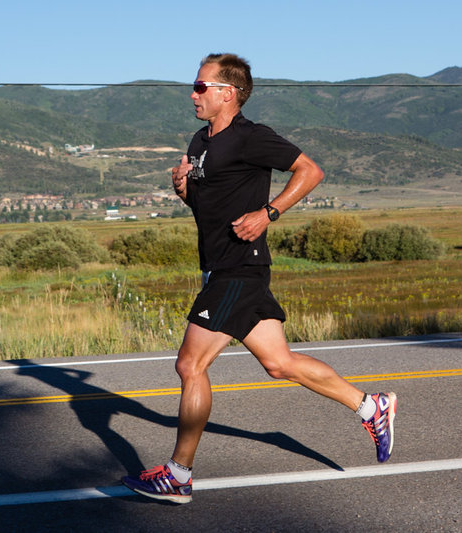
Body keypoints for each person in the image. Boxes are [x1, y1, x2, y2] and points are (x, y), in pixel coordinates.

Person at [121, 53, 396, 504]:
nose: (192, 94)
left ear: (228, 93)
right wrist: (185, 190)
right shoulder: (199, 141)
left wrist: (269, 213)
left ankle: (178, 475)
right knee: (279, 364)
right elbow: (207, 207)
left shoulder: (252, 138)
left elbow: (311, 171)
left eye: (200, 86)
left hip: (239, 268)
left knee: (191, 366)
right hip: (221, 265)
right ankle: (372, 406)